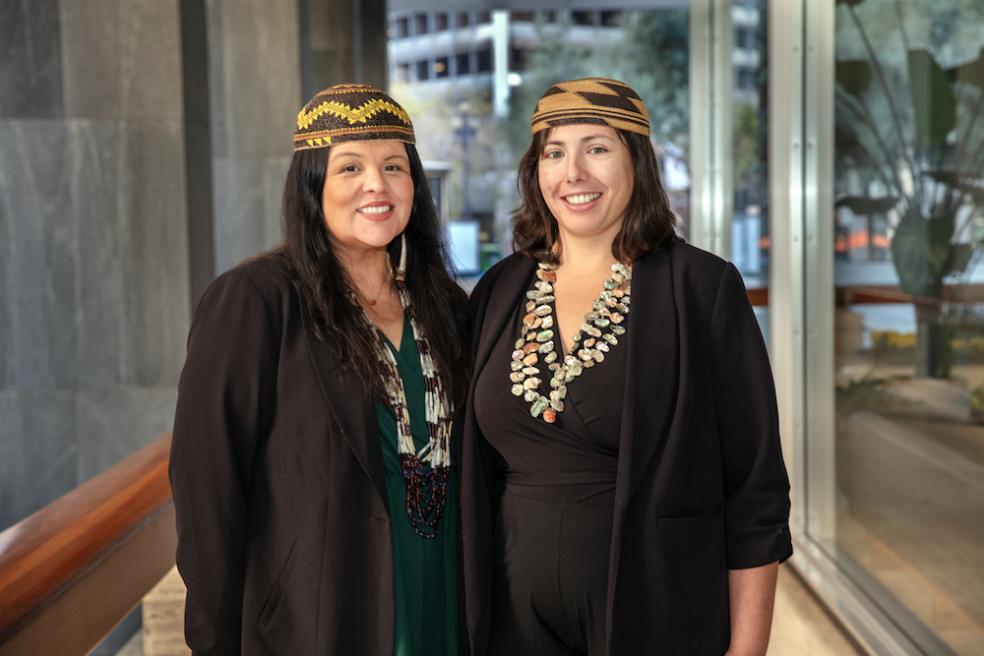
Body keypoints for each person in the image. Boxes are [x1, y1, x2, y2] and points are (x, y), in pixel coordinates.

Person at [460, 77, 792, 656]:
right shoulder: (498, 289)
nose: (574, 174)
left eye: (598, 148)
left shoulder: (701, 288)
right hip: (509, 618)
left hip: (659, 610)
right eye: (554, 153)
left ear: (637, 162)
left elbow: (755, 487)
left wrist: (747, 650)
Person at [169, 83, 467, 655]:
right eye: (349, 167)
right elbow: (207, 486)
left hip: (443, 597)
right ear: (313, 186)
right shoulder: (256, 300)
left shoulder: (446, 306)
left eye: (394, 166)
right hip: (322, 614)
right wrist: (212, 641)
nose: (375, 185)